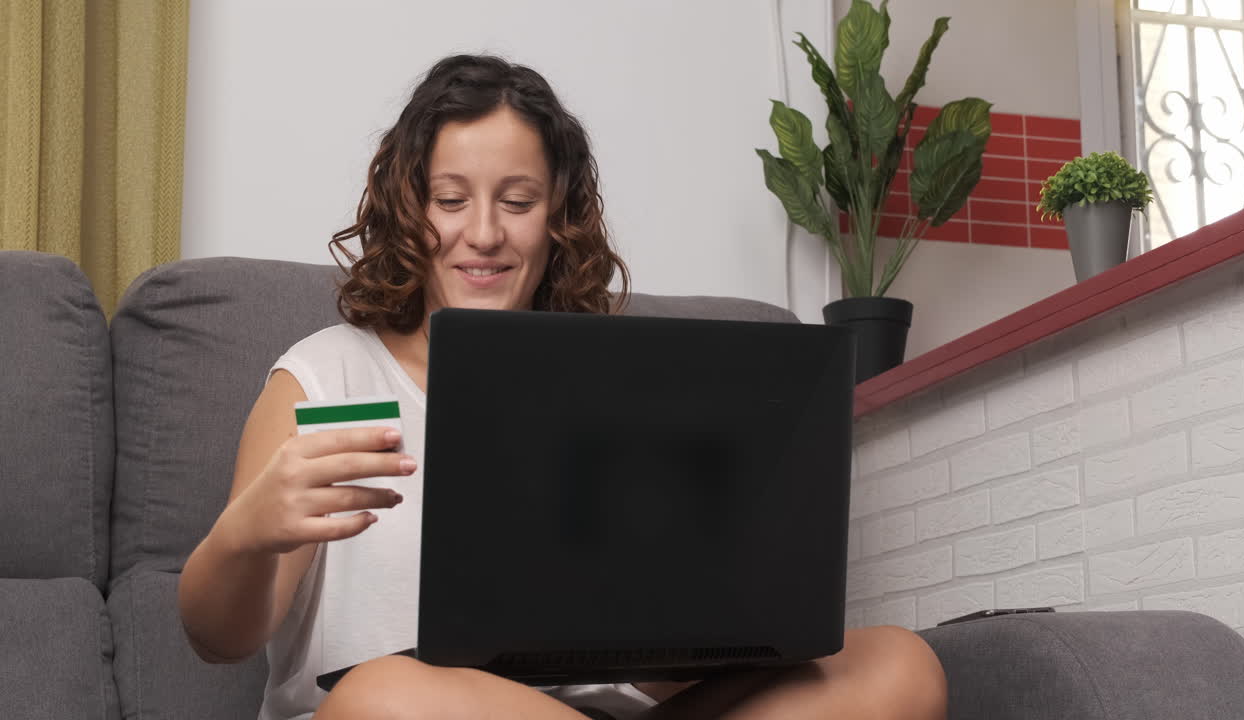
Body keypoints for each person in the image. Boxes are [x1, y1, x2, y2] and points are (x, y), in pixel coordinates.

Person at [177, 54, 947, 720]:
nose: (483, 234)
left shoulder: (617, 389)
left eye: (518, 202)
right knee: (386, 697)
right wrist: (250, 533)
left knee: (897, 667)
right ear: (408, 208)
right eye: (451, 200)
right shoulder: (328, 378)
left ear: (557, 218)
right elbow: (219, 639)